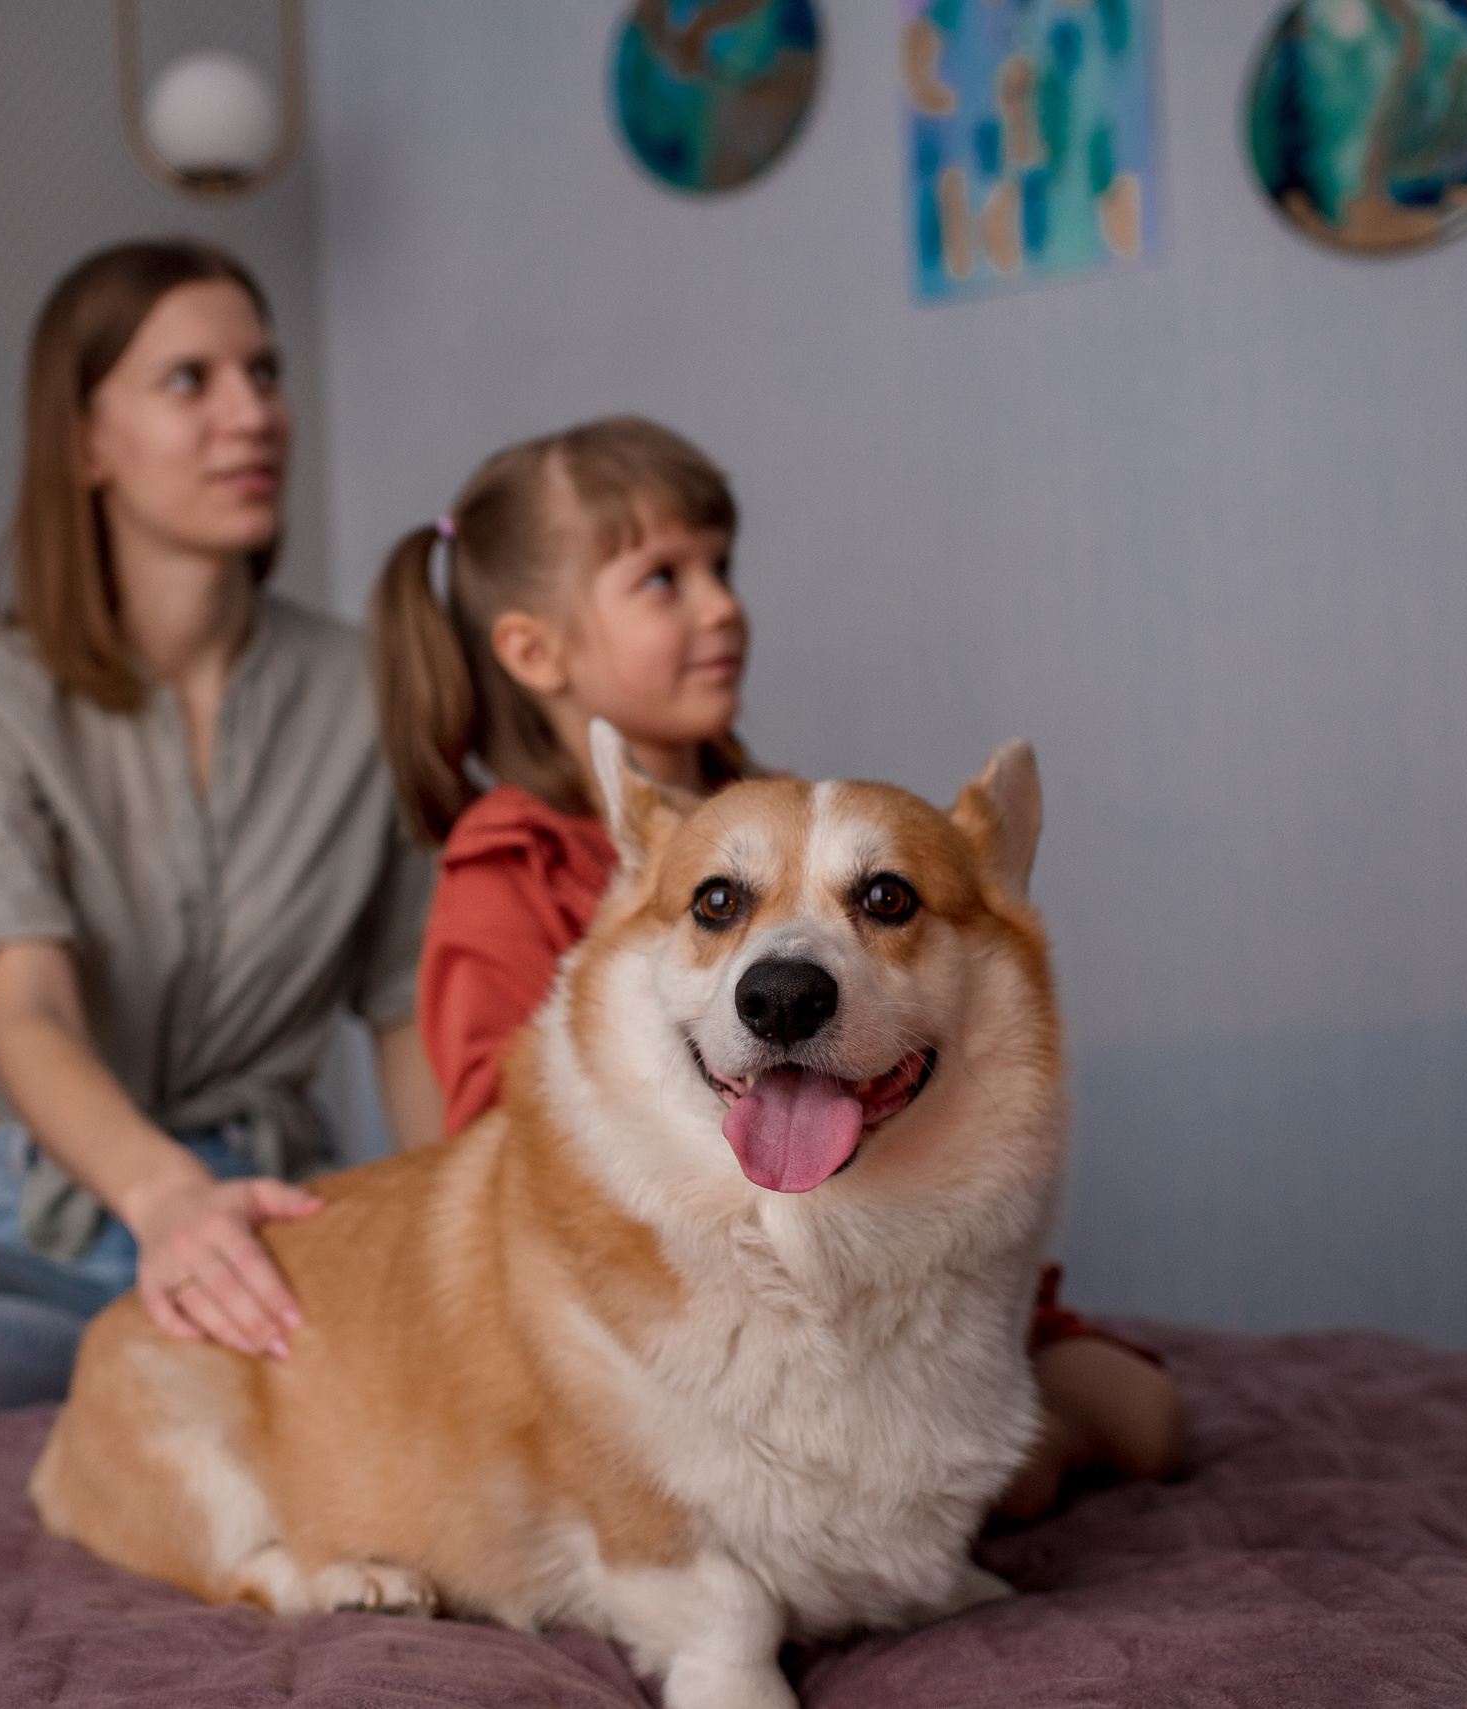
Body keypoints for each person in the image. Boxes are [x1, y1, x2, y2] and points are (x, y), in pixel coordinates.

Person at [366, 415, 1186, 1520]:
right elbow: (494, 1155)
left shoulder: (791, 810)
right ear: (532, 649)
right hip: (663, 1298)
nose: (719, 606)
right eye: (663, 579)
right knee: (994, 1476)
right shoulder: (505, 872)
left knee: (1146, 1419)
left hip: (888, 1271)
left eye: (721, 566)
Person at [0, 240, 442, 1426]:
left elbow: (411, 1013)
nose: (251, 413)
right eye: (189, 380)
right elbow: (25, 1011)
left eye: (263, 374)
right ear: (84, 441)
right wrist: (168, 1204)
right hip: (57, 1227)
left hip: (288, 1217)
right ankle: (175, 1366)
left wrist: (464, 1241)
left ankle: (190, 1371)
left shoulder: (373, 688)